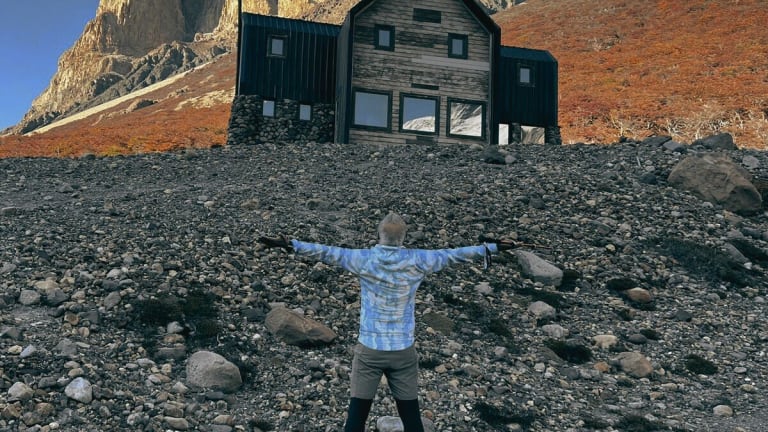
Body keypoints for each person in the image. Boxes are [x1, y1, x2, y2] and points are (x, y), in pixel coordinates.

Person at [259, 213, 515, 432]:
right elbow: (454, 255)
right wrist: (492, 247)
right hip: (403, 352)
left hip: (369, 351)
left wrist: (290, 244)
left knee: (356, 419)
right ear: (403, 237)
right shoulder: (418, 260)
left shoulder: (363, 259)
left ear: (379, 235)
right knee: (412, 421)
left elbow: (326, 252)